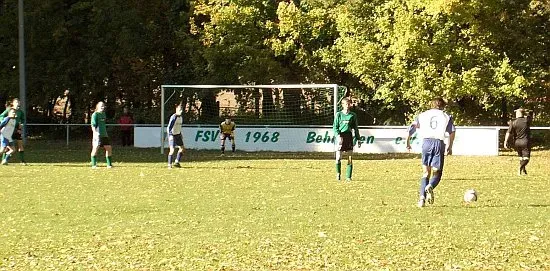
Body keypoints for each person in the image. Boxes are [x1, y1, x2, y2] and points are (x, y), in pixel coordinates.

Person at [406, 97, 456, 208]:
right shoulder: (446, 116)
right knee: (437, 173)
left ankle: (421, 199)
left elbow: (412, 128)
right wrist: (450, 146)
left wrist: (408, 141)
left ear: (431, 105)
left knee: (425, 173)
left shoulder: (422, 115)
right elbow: (452, 131)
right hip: (438, 143)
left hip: (426, 143)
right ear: (442, 106)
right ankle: (431, 186)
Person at [333, 97, 361, 181]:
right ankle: (338, 173)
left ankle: (348, 177)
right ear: (342, 105)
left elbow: (355, 128)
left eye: (349, 104)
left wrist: (358, 139)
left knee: (349, 157)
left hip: (349, 137)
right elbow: (335, 127)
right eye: (346, 104)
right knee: (338, 157)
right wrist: (338, 136)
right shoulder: (338, 114)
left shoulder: (353, 115)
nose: (347, 106)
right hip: (341, 136)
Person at [504, 108, 532, 175]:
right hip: (525, 141)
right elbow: (530, 114)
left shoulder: (513, 122)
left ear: (517, 114)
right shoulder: (526, 120)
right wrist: (526, 112)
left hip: (517, 142)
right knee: (526, 158)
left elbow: (508, 133)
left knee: (521, 157)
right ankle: (520, 167)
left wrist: (505, 142)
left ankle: (524, 170)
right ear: (523, 113)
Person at [0, 98, 27, 165]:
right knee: (3, 149)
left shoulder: (19, 113)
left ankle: (20, 161)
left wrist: (20, 127)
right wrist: (3, 126)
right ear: (13, 103)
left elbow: (22, 121)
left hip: (12, 132)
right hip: (6, 133)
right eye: (16, 102)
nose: (18, 104)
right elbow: (1, 116)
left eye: (19, 102)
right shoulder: (9, 113)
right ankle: (4, 160)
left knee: (15, 148)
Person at [90, 101, 113, 169]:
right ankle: (94, 165)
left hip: (104, 134)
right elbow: (93, 125)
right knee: (95, 148)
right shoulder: (95, 114)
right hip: (98, 134)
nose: (103, 107)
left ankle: (109, 165)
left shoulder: (103, 114)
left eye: (103, 106)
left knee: (109, 148)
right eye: (101, 106)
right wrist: (95, 133)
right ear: (98, 107)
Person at [167, 104, 184, 168]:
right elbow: (169, 127)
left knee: (182, 148)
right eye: (180, 110)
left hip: (178, 135)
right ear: (176, 110)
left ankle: (177, 162)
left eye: (182, 110)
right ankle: (169, 165)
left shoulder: (181, 117)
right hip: (172, 135)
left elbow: (179, 127)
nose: (181, 111)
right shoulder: (174, 117)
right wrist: (170, 135)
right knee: (172, 150)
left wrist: (180, 133)